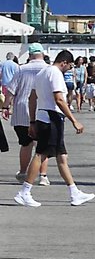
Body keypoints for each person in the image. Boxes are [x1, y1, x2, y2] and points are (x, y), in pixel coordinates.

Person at [14, 49, 94, 207]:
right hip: (52, 118)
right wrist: (74, 120)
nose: (69, 69)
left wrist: (32, 122)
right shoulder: (55, 73)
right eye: (69, 66)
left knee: (62, 156)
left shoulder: (41, 73)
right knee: (41, 155)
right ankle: (24, 191)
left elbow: (32, 98)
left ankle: (74, 192)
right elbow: (59, 99)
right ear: (64, 62)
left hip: (43, 116)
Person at [9, 45, 50, 186]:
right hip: (43, 110)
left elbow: (11, 90)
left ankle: (23, 172)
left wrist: (5, 107)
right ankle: (43, 176)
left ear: (30, 55)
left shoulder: (21, 69)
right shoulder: (48, 69)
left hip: (22, 110)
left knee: (25, 143)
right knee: (42, 145)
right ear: (43, 54)